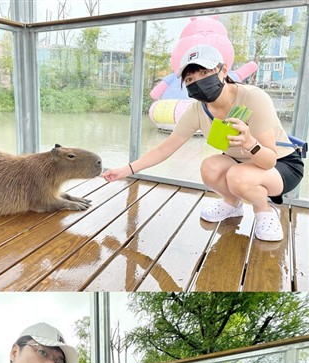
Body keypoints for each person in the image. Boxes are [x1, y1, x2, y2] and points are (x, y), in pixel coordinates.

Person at [103, 44, 303, 243]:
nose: (198, 81)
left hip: (280, 164)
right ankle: (232, 204)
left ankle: (265, 211)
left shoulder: (252, 97)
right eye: (190, 79)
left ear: (223, 70)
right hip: (240, 163)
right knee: (210, 167)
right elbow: (165, 148)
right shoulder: (197, 110)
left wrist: (250, 142)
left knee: (237, 175)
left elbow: (268, 160)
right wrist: (126, 170)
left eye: (204, 72)